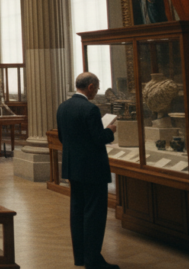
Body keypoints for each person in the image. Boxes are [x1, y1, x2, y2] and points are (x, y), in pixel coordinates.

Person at [58, 72, 119, 269]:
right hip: (92, 169)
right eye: (97, 87)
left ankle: (81, 257)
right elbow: (98, 138)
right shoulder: (91, 109)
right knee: (94, 214)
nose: (97, 91)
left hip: (73, 168)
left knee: (77, 212)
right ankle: (93, 260)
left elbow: (62, 137)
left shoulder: (63, 107)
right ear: (91, 86)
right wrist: (110, 131)